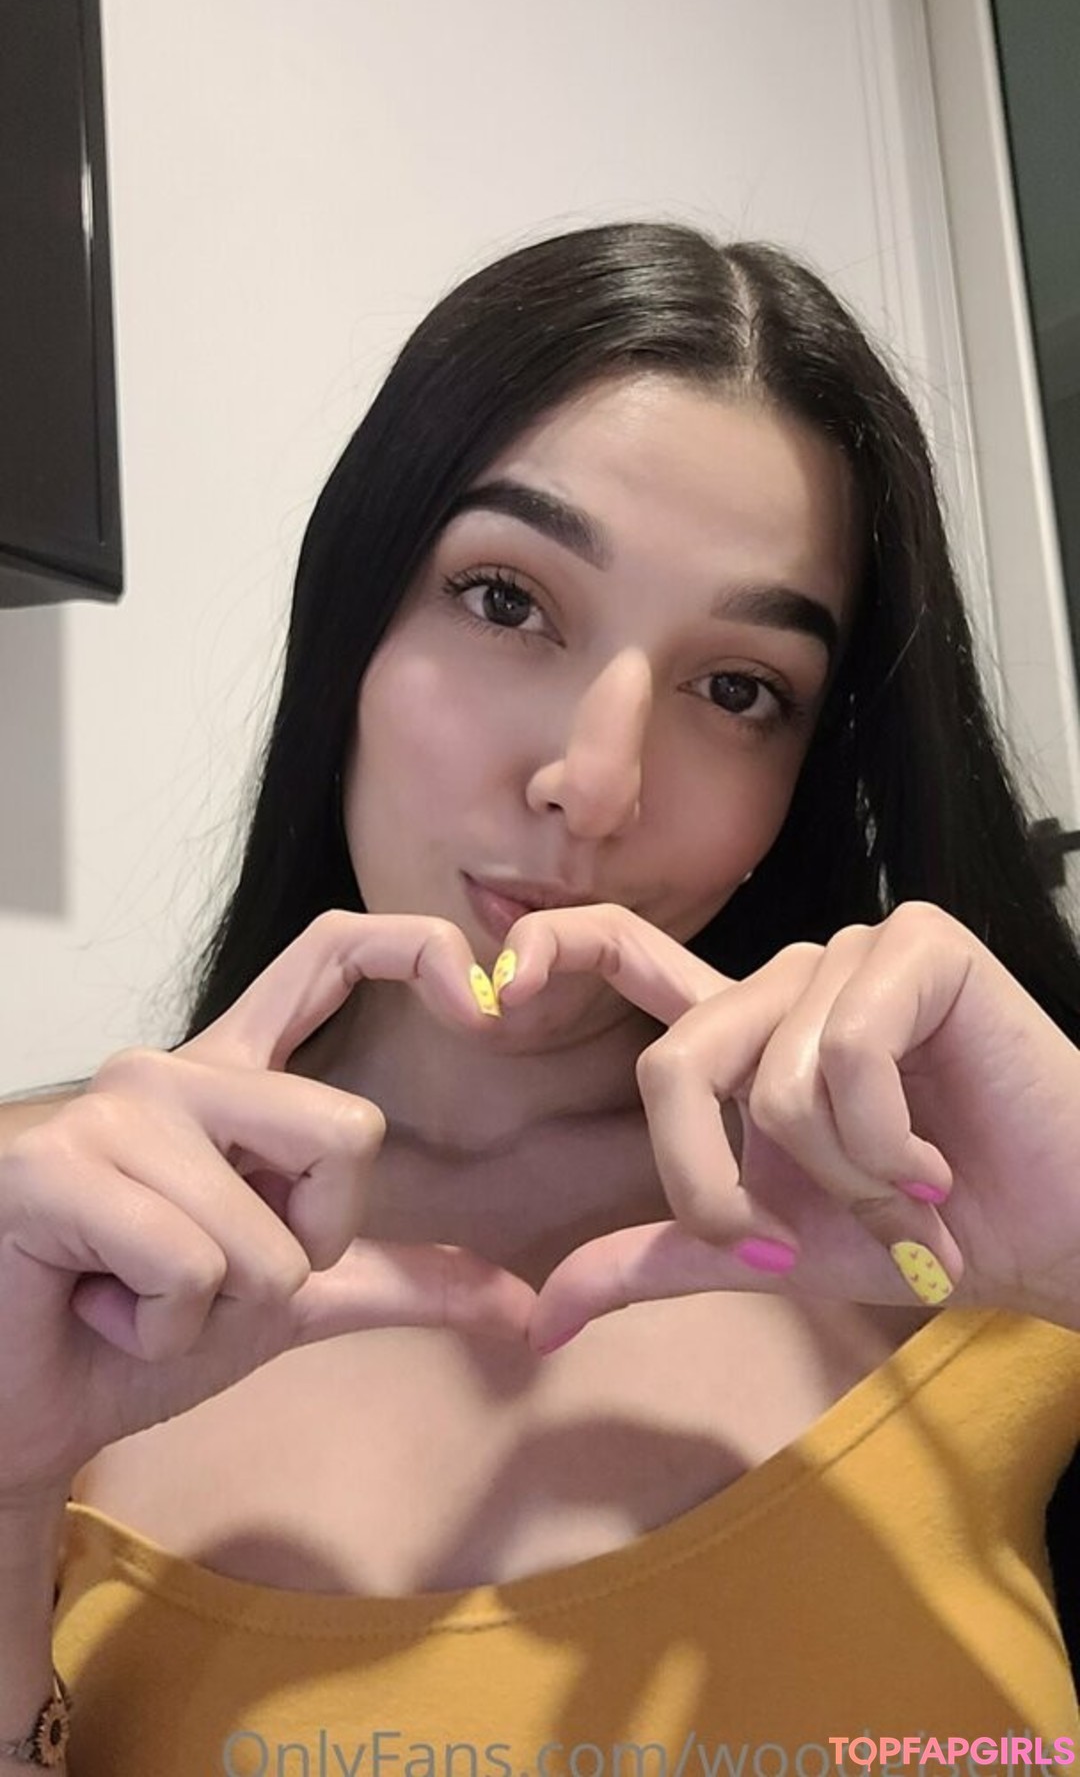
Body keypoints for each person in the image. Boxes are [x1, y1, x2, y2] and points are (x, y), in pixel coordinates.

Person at [3, 221, 1080, 1775]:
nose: (596, 779)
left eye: (739, 689)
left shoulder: (967, 1211)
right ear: (352, 623)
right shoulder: (59, 1249)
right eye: (506, 600)